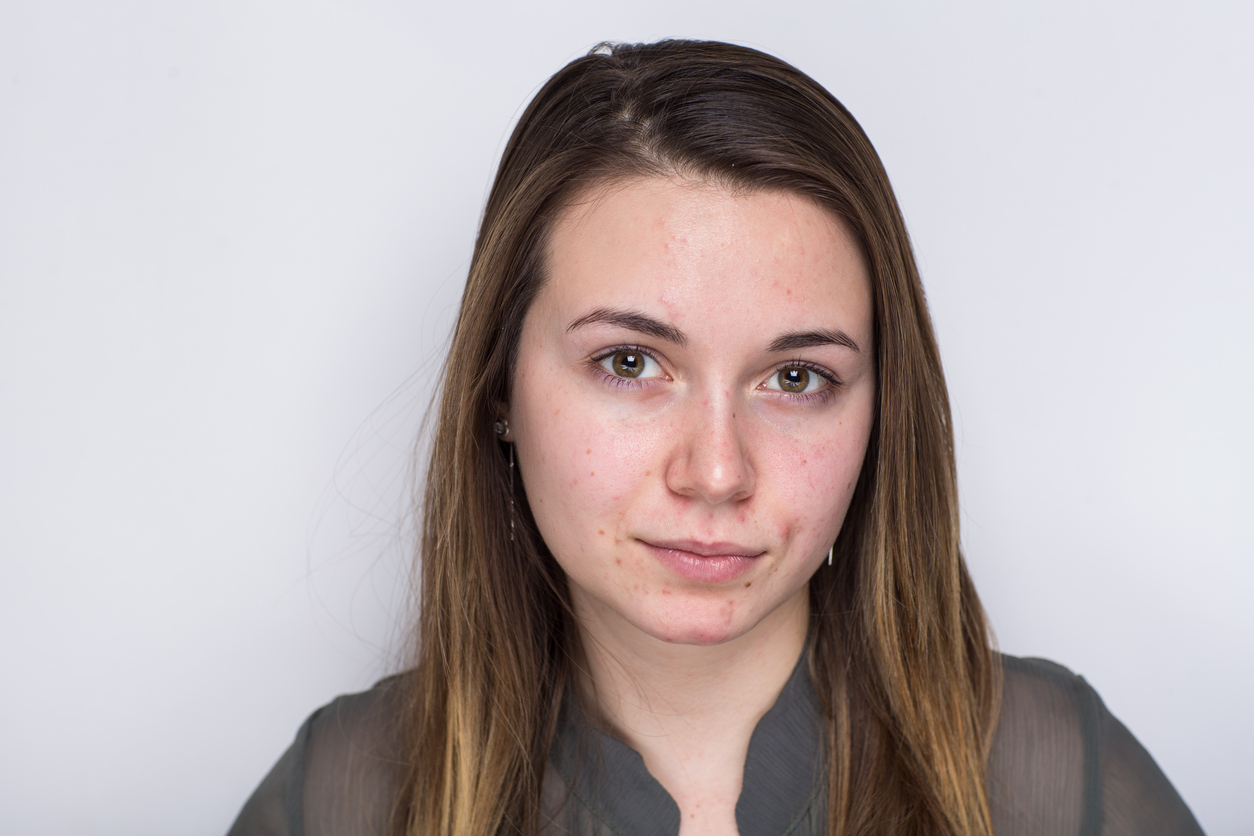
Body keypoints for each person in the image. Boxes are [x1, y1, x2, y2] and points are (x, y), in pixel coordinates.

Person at [227, 40, 1203, 836]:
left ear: (878, 413)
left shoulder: (1057, 778)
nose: (718, 471)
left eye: (796, 377)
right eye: (629, 363)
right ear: (498, 387)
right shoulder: (341, 796)